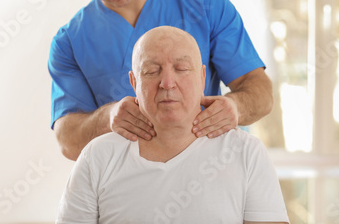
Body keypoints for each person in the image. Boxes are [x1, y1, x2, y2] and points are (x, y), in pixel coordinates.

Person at [49, 0, 273, 161]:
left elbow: (260, 92)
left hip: (205, 175)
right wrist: (108, 117)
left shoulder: (206, 8)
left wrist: (236, 108)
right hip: (122, 189)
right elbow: (67, 142)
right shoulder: (70, 41)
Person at [56, 26, 289, 224]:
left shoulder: (245, 153)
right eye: (151, 71)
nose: (167, 83)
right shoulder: (97, 157)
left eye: (181, 69)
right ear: (134, 82)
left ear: (202, 77)